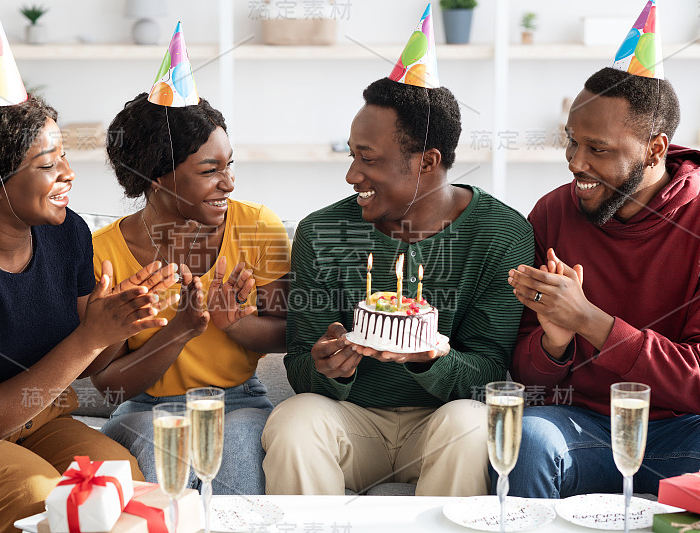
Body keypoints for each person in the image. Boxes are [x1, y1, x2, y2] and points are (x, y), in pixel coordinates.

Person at [0, 93, 174, 532]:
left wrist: (115, 324)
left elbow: (91, 367)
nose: (68, 173)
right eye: (48, 165)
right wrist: (88, 336)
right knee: (30, 495)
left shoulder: (69, 236)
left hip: (39, 417)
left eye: (64, 157)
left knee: (116, 480)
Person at [261, 77, 534, 496]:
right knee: (295, 419)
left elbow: (489, 374)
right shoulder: (321, 232)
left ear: (427, 162)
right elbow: (300, 364)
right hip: (351, 423)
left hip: (439, 429)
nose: (352, 175)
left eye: (367, 159)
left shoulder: (501, 233)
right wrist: (326, 368)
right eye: (352, 156)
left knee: (473, 423)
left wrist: (431, 359)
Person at [505, 66, 700, 498]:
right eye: (572, 140)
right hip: (579, 427)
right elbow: (522, 372)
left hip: (684, 433)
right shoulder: (553, 213)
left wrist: (591, 321)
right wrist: (553, 343)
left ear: (655, 150)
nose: (576, 161)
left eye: (597, 148)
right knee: (529, 440)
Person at [91, 94, 291, 495]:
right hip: (146, 408)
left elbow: (291, 331)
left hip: (239, 402)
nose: (229, 183)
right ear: (156, 175)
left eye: (229, 164)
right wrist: (181, 330)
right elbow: (109, 385)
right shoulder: (102, 253)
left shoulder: (256, 226)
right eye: (209, 170)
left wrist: (235, 325)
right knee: (167, 460)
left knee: (233, 459)